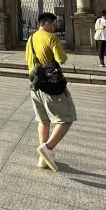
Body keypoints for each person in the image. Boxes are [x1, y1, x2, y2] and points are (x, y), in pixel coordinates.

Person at [25, 12, 76, 172]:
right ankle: (47, 148)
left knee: (43, 121)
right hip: (52, 87)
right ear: (47, 23)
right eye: (54, 24)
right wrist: (63, 54)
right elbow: (61, 59)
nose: (55, 26)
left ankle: (43, 158)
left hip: (36, 85)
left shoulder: (31, 39)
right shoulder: (52, 38)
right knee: (67, 119)